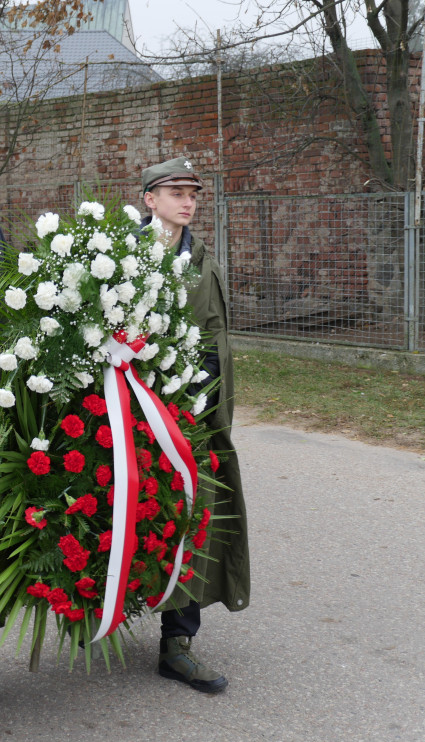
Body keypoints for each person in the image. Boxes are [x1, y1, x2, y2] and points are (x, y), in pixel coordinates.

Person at [139, 156, 251, 694]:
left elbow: (213, 344)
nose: (187, 201)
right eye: (175, 192)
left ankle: (177, 642)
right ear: (149, 200)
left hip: (190, 416)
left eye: (193, 193)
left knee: (192, 518)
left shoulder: (202, 260)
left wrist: (194, 398)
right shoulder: (120, 259)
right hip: (132, 419)